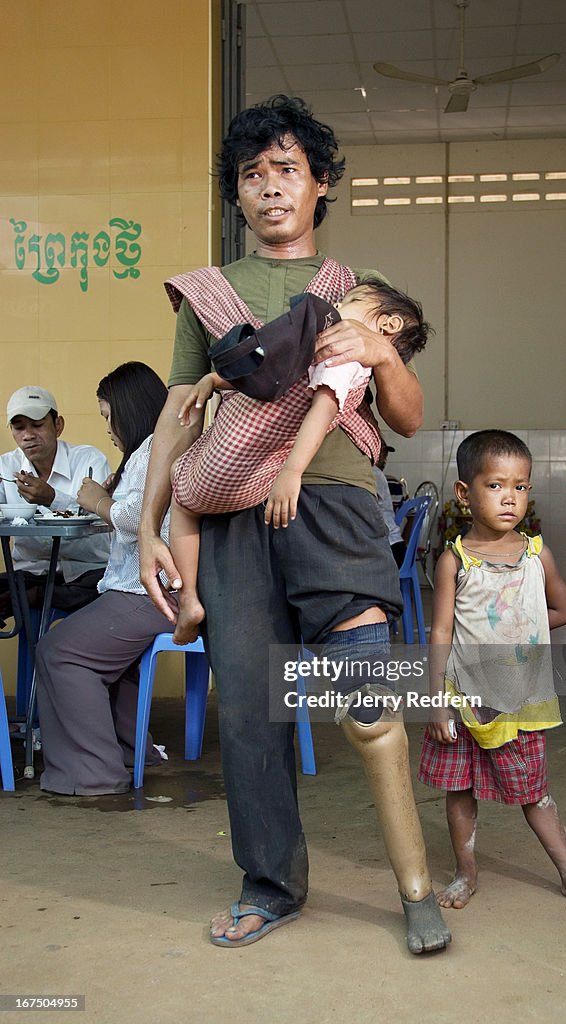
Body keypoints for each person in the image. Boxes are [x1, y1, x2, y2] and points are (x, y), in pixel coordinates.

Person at [139, 94, 451, 954]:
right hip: (233, 505)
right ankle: (270, 883)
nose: (269, 187)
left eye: (287, 170)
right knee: (248, 707)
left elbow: (412, 419)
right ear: (236, 196)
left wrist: (383, 352)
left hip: (338, 497)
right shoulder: (207, 295)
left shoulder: (359, 293)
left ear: (318, 187)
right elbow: (175, 417)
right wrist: (148, 527)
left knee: (366, 700)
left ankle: (415, 888)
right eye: (251, 175)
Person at [419, 430, 566, 916]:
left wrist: (522, 629)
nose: (510, 496)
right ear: (465, 493)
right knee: (461, 787)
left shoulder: (538, 555)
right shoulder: (456, 561)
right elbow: (441, 633)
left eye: (521, 485)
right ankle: (466, 872)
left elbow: (562, 610)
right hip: (466, 700)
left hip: (520, 700)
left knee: (535, 793)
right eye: (495, 485)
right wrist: (436, 700)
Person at [169, 280, 429, 644]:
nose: (338, 301)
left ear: (388, 325)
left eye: (351, 300)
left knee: (180, 497)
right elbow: (281, 378)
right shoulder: (336, 354)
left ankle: (188, 599)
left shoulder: (345, 357)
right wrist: (213, 381)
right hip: (251, 479)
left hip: (230, 468)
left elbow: (316, 406)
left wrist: (292, 471)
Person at [35, 363, 172, 795]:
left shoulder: (153, 450)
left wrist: (99, 502)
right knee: (87, 649)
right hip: (149, 592)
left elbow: (139, 518)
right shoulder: (155, 450)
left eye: (107, 416)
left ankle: (93, 772)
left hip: (144, 592)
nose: (108, 429)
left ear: (128, 411)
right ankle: (131, 751)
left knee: (59, 651)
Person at [0, 386, 111, 625]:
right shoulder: (5, 467)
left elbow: (105, 526)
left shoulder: (89, 460)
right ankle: (31, 596)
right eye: (19, 427)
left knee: (109, 588)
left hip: (86, 573)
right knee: (22, 586)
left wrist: (53, 498)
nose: (28, 435)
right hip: (31, 574)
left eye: (37, 424)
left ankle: (33, 597)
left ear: (58, 425)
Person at [373, 442, 406, 566]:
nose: (383, 459)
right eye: (382, 454)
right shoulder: (382, 477)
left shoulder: (374, 474)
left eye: (385, 455)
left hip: (389, 547)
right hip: (396, 543)